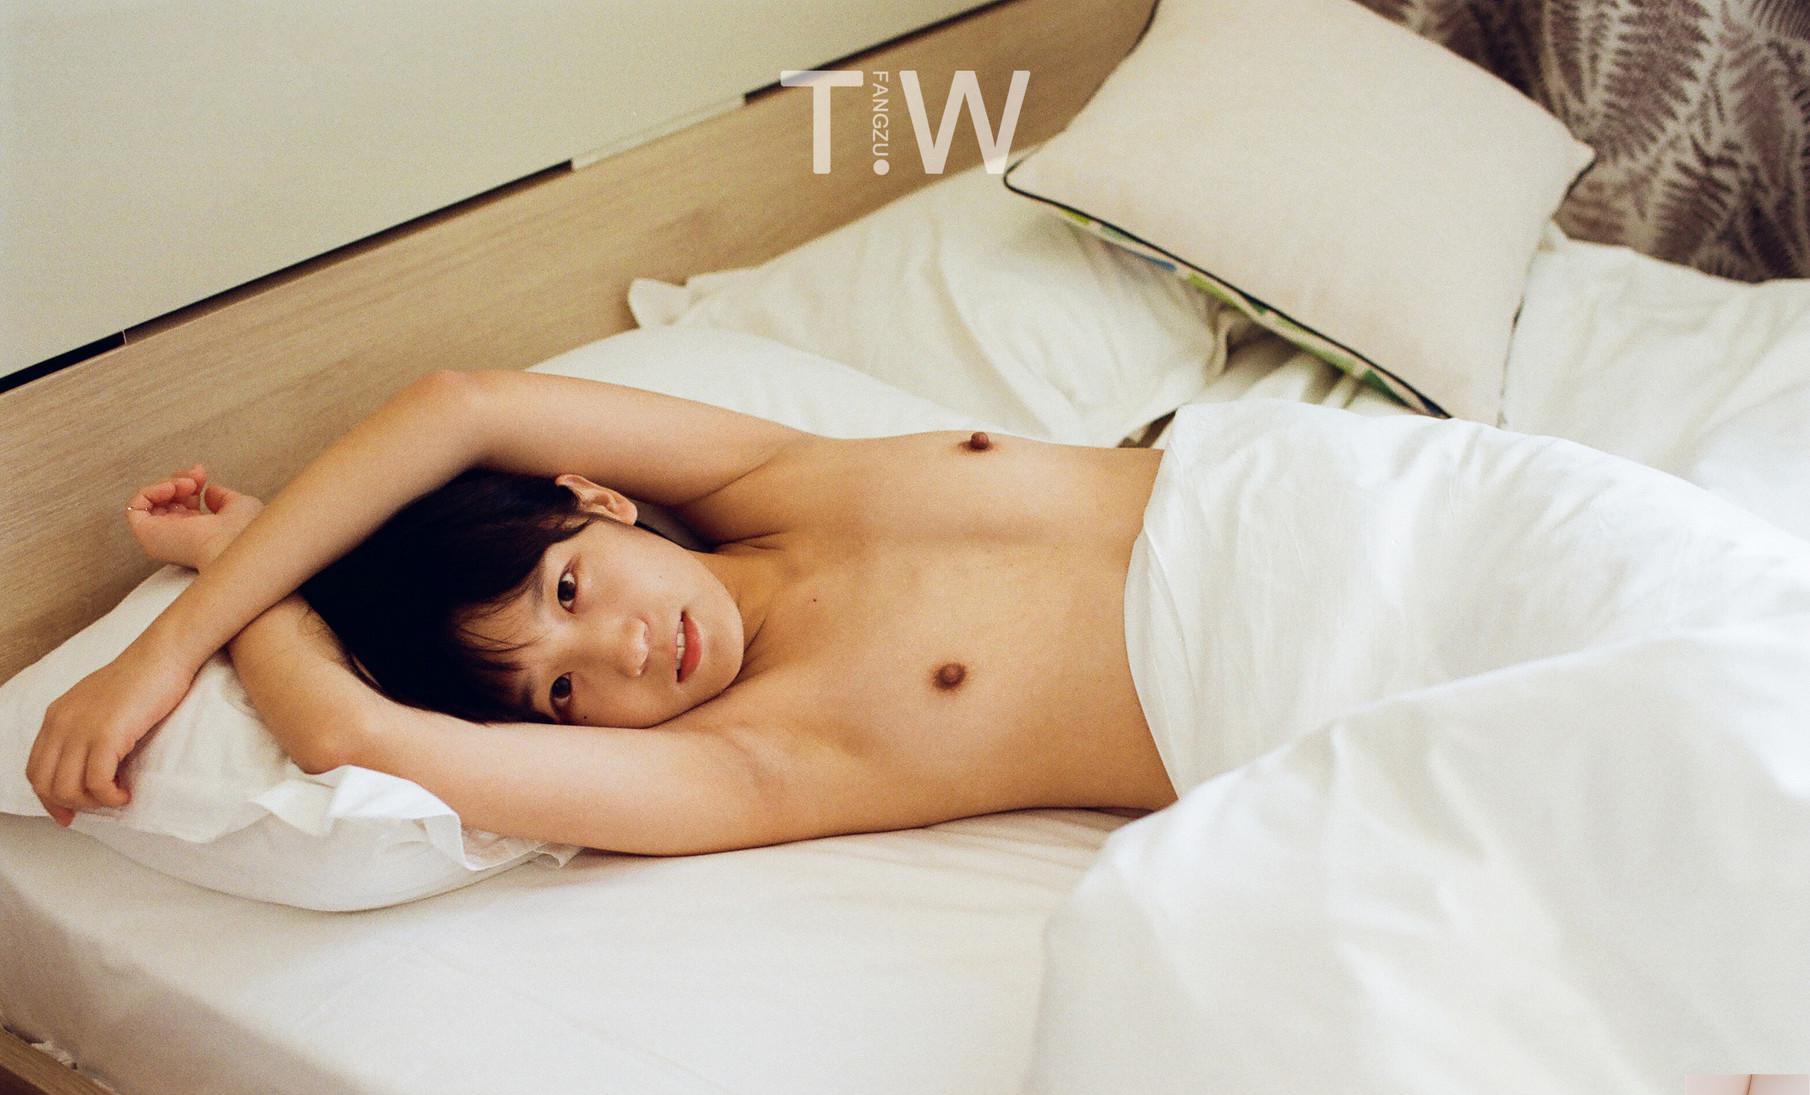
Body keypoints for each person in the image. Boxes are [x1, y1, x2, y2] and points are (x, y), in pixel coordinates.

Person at [25, 370, 1177, 854]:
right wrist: (242, 575)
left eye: (568, 589)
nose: (626, 650)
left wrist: (164, 648)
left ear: (599, 499)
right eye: (563, 692)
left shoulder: (775, 474)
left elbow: (463, 406)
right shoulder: (758, 757)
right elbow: (348, 735)